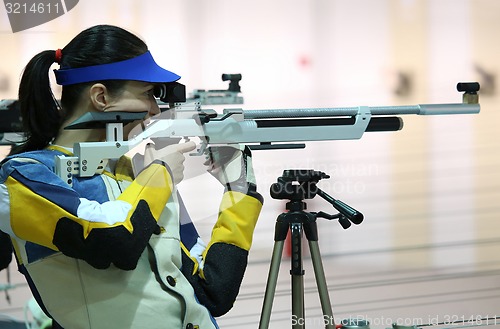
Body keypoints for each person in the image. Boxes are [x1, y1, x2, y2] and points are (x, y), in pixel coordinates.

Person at [0, 24, 263, 329]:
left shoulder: (136, 174)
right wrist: (160, 175)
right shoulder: (22, 176)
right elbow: (112, 240)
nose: (154, 110)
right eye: (148, 94)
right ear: (101, 97)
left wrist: (240, 189)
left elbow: (213, 290)